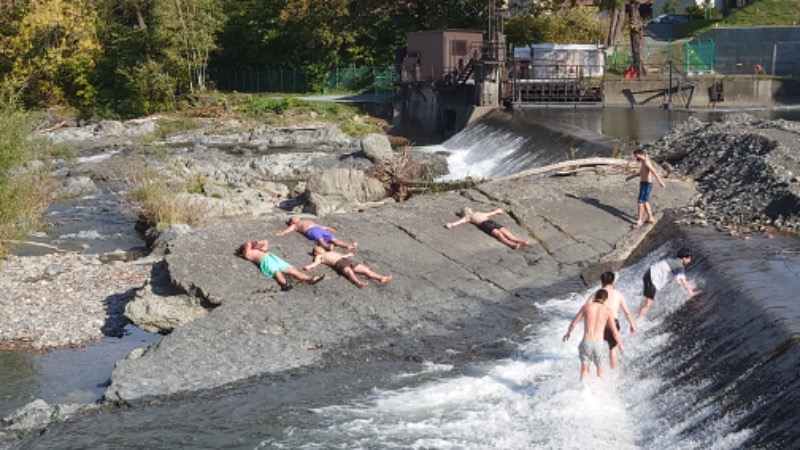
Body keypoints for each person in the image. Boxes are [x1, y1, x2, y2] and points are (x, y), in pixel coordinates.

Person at [563, 289, 625, 381]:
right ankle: (599, 394)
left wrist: (568, 333)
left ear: (595, 297)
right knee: (600, 371)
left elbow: (573, 323)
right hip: (599, 344)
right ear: (605, 299)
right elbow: (614, 331)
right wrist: (620, 344)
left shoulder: (586, 307)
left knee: (584, 370)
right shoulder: (607, 311)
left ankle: (583, 391)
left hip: (586, 342)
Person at [585, 271, 637, 369]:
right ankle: (613, 371)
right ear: (613, 282)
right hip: (613, 323)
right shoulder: (618, 294)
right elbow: (627, 312)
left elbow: (587, 308)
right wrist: (632, 324)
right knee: (613, 348)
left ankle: (594, 370)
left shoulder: (597, 294)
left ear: (601, 282)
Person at [636, 247, 700, 319]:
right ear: (684, 258)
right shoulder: (679, 266)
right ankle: (638, 321)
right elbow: (683, 281)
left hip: (648, 274)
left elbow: (678, 280)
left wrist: (684, 284)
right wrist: (691, 293)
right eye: (689, 258)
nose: (690, 260)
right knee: (649, 302)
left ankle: (637, 314)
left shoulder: (672, 260)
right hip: (652, 279)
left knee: (648, 300)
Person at [238, 240, 324, 291]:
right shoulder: (248, 254)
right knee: (277, 272)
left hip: (274, 259)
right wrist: (248, 245)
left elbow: (265, 241)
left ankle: (311, 279)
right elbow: (248, 244)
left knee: (293, 271)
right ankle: (285, 284)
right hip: (265, 261)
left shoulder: (257, 248)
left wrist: (255, 243)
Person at [303, 246, 393, 288]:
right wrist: (310, 266)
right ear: (315, 252)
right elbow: (316, 262)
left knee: (366, 270)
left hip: (346, 260)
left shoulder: (329, 252)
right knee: (349, 272)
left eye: (320, 247)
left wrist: (348, 254)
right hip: (338, 263)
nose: (320, 248)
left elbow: (341, 255)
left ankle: (381, 278)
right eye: (318, 248)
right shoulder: (319, 256)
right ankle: (358, 282)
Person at [444, 207, 530, 250]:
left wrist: (497, 211)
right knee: (499, 234)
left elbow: (488, 214)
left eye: (468, 209)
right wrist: (451, 224)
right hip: (484, 224)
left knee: (506, 232)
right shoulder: (467, 218)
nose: (468, 210)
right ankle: (512, 245)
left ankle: (520, 241)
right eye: (466, 210)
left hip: (490, 221)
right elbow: (460, 222)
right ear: (464, 213)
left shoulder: (478, 213)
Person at [626, 148, 666, 229]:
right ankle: (650, 217)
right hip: (643, 183)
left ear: (640, 154)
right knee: (645, 201)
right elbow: (641, 173)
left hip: (647, 184)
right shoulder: (643, 162)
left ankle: (639, 220)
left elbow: (654, 171)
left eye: (636, 156)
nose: (636, 158)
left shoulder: (647, 162)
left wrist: (660, 181)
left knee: (640, 201)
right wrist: (631, 177)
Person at [276, 217, 357, 251]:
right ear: (291, 222)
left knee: (334, 239)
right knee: (320, 240)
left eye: (296, 217)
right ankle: (327, 247)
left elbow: (318, 225)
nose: (296, 218)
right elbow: (288, 230)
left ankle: (348, 245)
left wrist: (328, 228)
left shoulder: (306, 220)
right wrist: (282, 233)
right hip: (311, 231)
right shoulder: (294, 225)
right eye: (293, 218)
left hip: (318, 228)